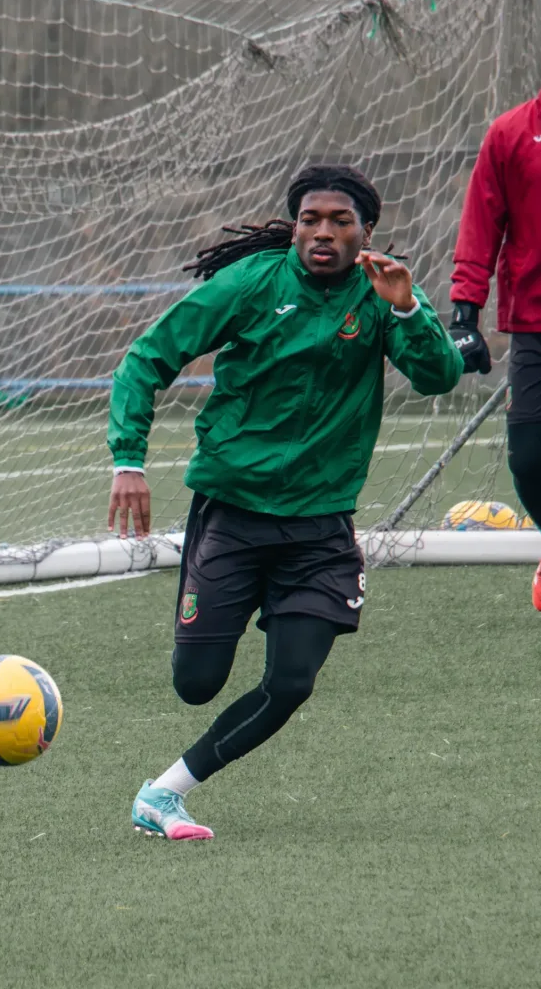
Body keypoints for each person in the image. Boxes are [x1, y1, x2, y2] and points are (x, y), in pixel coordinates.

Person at [107, 164, 464, 840]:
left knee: (292, 681)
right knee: (196, 684)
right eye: (310, 219)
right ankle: (202, 624)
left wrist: (406, 308)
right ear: (294, 226)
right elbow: (146, 359)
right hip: (231, 515)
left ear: (366, 231)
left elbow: (438, 375)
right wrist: (128, 460)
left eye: (339, 221)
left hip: (319, 529)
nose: (323, 232)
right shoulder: (250, 284)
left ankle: (162, 793)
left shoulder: (379, 294)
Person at [448, 90, 541, 608]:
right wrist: (465, 311)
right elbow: (482, 223)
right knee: (529, 459)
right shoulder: (511, 132)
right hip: (534, 326)